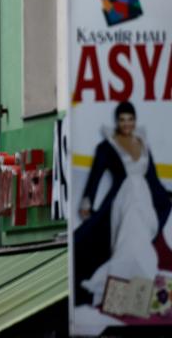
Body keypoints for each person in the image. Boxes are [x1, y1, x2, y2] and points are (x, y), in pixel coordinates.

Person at [75, 101, 172, 306]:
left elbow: (152, 177)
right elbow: (95, 176)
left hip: (144, 201)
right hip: (125, 199)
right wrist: (87, 201)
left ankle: (133, 300)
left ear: (135, 121)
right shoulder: (108, 146)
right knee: (129, 245)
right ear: (117, 121)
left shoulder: (142, 142)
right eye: (122, 119)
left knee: (142, 246)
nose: (126, 123)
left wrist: (165, 195)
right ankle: (114, 296)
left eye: (130, 119)